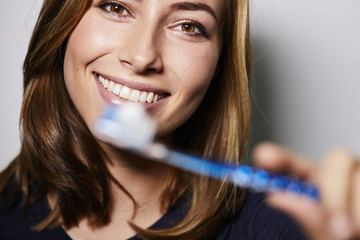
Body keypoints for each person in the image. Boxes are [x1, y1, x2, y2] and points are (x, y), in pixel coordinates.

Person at [0, 0, 359, 239]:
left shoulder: (281, 228)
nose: (142, 57)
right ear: (60, 25)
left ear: (219, 67)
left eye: (188, 26)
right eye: (116, 6)